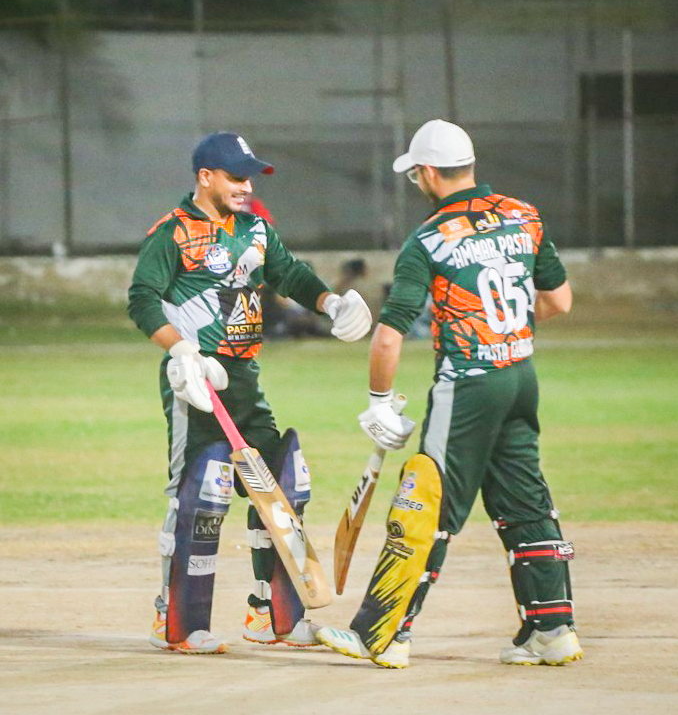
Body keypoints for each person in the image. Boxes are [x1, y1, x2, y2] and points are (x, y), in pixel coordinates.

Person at [317, 119, 582, 669]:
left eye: (416, 174)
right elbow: (559, 301)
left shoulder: (430, 238)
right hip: (519, 377)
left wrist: (379, 400)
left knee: (425, 500)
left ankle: (382, 635)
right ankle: (552, 630)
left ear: (429, 173)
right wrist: (505, 330)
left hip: (466, 385)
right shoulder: (524, 215)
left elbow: (389, 334)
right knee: (525, 501)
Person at [128, 131, 372, 654]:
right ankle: (174, 619)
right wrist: (181, 351)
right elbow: (142, 299)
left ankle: (269, 614)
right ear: (205, 177)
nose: (247, 187)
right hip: (195, 381)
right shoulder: (172, 233)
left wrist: (330, 303)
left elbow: (290, 274)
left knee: (281, 486)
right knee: (199, 494)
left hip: (243, 378)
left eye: (250, 178)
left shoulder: (255, 229)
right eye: (237, 177)